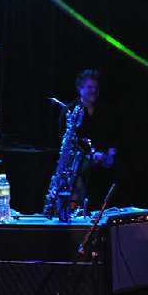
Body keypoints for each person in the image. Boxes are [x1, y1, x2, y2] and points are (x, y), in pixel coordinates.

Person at [56, 70, 120, 211]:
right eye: (90, 87)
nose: (94, 91)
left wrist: (110, 154)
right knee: (86, 172)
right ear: (80, 88)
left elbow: (113, 138)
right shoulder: (70, 110)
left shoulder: (105, 111)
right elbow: (66, 142)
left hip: (102, 160)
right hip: (79, 161)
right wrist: (91, 155)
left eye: (96, 88)